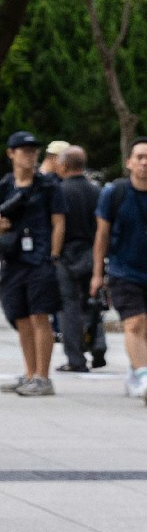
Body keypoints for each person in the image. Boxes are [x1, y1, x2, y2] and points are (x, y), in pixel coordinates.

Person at [0, 130, 65, 396]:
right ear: (11, 154)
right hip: (13, 260)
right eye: (24, 151)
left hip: (40, 258)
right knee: (20, 317)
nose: (30, 156)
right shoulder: (3, 186)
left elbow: (59, 222)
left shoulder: (48, 186)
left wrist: (53, 255)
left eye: (34, 151)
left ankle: (43, 377)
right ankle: (30, 372)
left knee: (40, 316)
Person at [93, 138, 147, 405]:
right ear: (129, 162)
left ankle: (135, 369)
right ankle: (144, 375)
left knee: (144, 329)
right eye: (139, 157)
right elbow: (101, 236)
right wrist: (96, 274)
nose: (144, 162)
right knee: (134, 323)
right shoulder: (114, 194)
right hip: (124, 270)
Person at [53, 145, 106, 374]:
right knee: (93, 303)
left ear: (64, 165)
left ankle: (75, 358)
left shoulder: (59, 191)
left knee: (69, 307)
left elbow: (58, 226)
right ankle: (98, 345)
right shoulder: (97, 192)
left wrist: (54, 255)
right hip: (92, 251)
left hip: (66, 254)